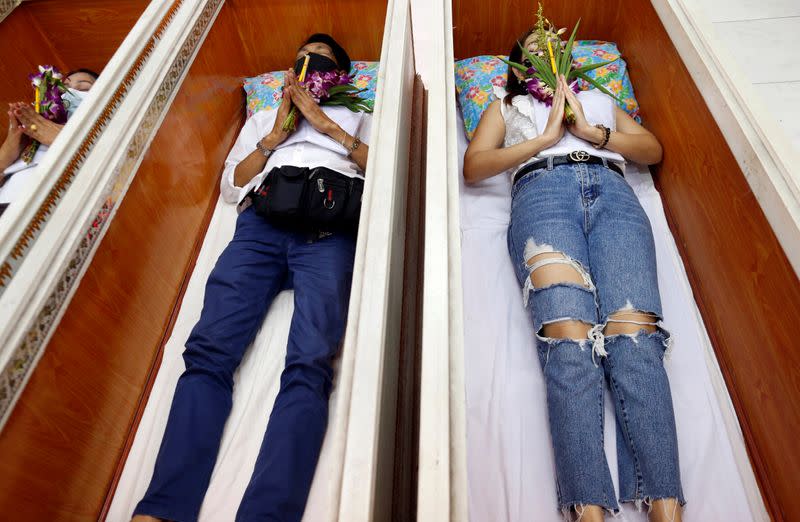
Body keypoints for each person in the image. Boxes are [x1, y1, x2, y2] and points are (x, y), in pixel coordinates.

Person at [132, 33, 370, 522]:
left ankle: (268, 513)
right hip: (260, 228)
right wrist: (275, 135)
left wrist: (325, 125)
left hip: (327, 230)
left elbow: (387, 168)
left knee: (310, 364)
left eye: (321, 62)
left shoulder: (360, 113)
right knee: (207, 354)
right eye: (301, 59)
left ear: (338, 77)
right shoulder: (264, 117)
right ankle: (162, 509)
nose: (308, 67)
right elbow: (230, 186)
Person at [463, 29, 684, 522]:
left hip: (613, 191)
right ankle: (588, 509)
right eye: (533, 49)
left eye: (553, 44)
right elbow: (474, 166)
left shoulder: (599, 100)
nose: (544, 49)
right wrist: (542, 140)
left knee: (637, 337)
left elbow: (651, 150)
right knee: (569, 341)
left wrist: (592, 133)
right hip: (542, 194)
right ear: (520, 68)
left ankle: (665, 504)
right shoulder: (505, 106)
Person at [0, 68, 99, 215]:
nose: (68, 93)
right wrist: (8, 153)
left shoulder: (99, 128)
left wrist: (56, 136)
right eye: (63, 88)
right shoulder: (31, 131)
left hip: (48, 205)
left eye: (84, 88)